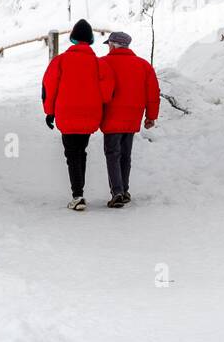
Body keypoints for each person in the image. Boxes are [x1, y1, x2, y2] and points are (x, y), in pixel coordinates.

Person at [42, 20, 114, 211]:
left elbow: (49, 87)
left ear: (73, 38)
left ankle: (78, 195)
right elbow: (107, 93)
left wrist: (49, 112)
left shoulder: (60, 61)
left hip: (66, 113)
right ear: (90, 39)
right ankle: (78, 192)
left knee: (72, 153)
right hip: (90, 114)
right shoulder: (99, 64)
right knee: (80, 151)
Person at [100, 30, 160, 208]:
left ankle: (117, 191)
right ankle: (124, 190)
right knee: (125, 154)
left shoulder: (103, 63)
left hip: (111, 115)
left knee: (112, 154)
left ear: (112, 45)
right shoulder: (143, 65)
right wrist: (151, 116)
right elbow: (153, 93)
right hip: (133, 115)